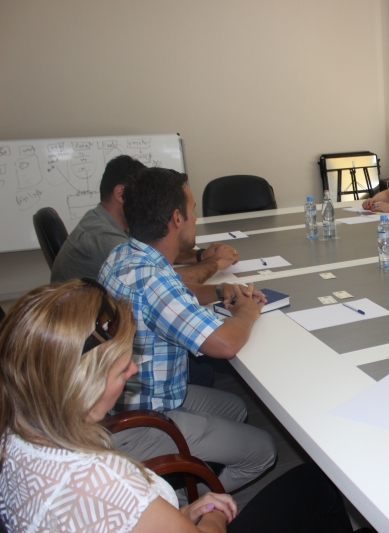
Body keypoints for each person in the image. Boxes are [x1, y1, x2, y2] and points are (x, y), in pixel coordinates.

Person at [0, 280, 364, 532]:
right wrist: (213, 513)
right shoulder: (101, 480)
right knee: (318, 483)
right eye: (121, 369)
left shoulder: (15, 437)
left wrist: (180, 514)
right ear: (82, 383)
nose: (132, 370)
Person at [97, 166, 277, 492]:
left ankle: (198, 464)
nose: (195, 218)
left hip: (131, 395)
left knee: (236, 408)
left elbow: (173, 293)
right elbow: (224, 344)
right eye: (192, 211)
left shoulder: (126, 254)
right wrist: (248, 312)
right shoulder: (154, 280)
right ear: (177, 219)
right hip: (143, 420)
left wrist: (219, 291)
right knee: (263, 451)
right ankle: (189, 506)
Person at [51, 154, 238, 284]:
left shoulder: (105, 220)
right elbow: (162, 283)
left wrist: (199, 256)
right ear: (120, 194)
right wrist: (215, 263)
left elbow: (151, 251)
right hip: (85, 325)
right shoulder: (104, 238)